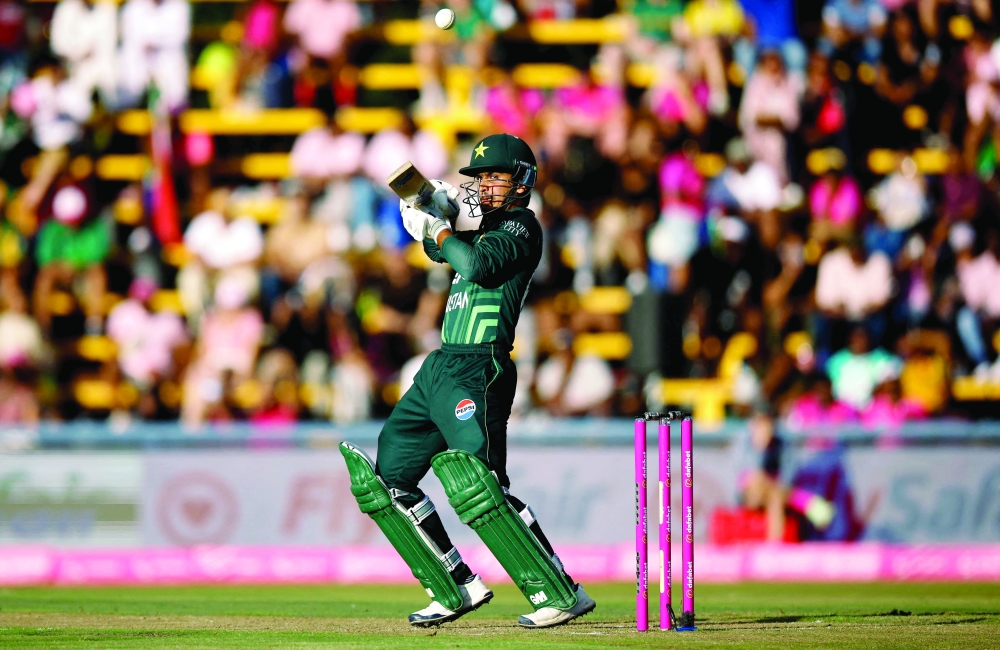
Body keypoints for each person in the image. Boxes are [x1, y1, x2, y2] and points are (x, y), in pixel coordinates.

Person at [339, 134, 595, 628]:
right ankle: (455, 584)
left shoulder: (523, 228)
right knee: (387, 482)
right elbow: (451, 251)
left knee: (482, 488)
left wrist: (436, 230)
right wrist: (432, 214)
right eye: (478, 178)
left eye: (494, 176)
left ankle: (561, 592)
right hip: (440, 368)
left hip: (481, 366)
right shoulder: (478, 229)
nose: (483, 186)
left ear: (521, 181)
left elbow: (474, 264)